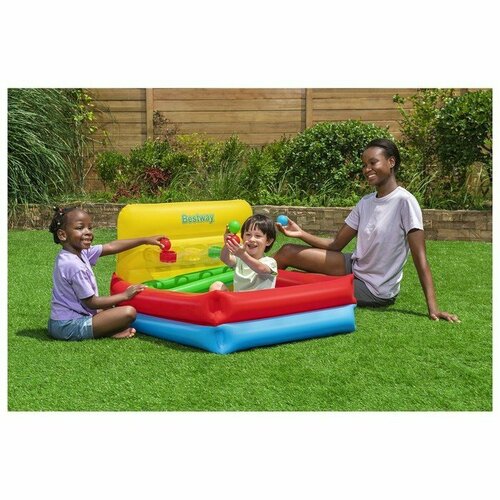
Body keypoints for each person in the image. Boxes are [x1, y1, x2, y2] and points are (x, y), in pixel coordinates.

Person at [273, 138, 460, 322]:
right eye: (364, 165)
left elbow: (420, 258)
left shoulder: (405, 202)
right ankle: (255, 287)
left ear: (391, 162)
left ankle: (268, 298)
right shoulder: (366, 202)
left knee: (301, 282)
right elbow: (336, 244)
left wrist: (433, 308)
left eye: (373, 162)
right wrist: (301, 233)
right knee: (287, 251)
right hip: (354, 265)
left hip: (374, 288)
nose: (367, 169)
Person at [48, 206, 166, 340]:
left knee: (110, 306)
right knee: (128, 312)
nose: (88, 232)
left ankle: (108, 329)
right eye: (80, 228)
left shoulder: (78, 253)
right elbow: (92, 303)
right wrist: (125, 295)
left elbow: (111, 246)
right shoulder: (73, 265)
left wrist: (145, 240)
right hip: (68, 326)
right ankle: (108, 331)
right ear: (63, 235)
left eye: (90, 228)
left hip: (64, 321)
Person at [209, 214, 278, 292]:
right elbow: (225, 258)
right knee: (216, 286)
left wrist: (242, 255)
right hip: (238, 299)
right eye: (248, 234)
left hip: (259, 300)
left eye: (258, 236)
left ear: (268, 241)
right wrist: (228, 243)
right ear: (242, 237)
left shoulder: (270, 262)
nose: (252, 239)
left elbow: (261, 269)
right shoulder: (240, 259)